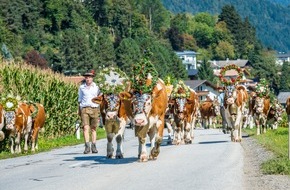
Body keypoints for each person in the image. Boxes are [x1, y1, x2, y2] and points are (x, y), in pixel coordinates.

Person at [78, 69, 101, 154]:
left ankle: (94, 146)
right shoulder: (81, 87)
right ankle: (87, 147)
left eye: (89, 77)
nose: (88, 79)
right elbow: (79, 99)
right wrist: (79, 110)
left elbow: (100, 98)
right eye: (86, 77)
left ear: (92, 78)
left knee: (93, 128)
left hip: (94, 109)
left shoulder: (97, 87)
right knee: (85, 127)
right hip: (84, 109)